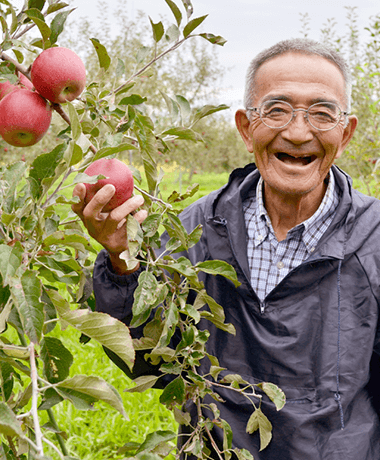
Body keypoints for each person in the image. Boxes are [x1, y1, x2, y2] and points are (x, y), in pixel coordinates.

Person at [72, 38, 380, 459]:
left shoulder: (374, 240)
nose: (297, 131)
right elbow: (151, 363)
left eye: (322, 113)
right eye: (276, 110)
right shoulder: (191, 232)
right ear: (245, 127)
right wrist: (121, 259)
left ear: (345, 133)